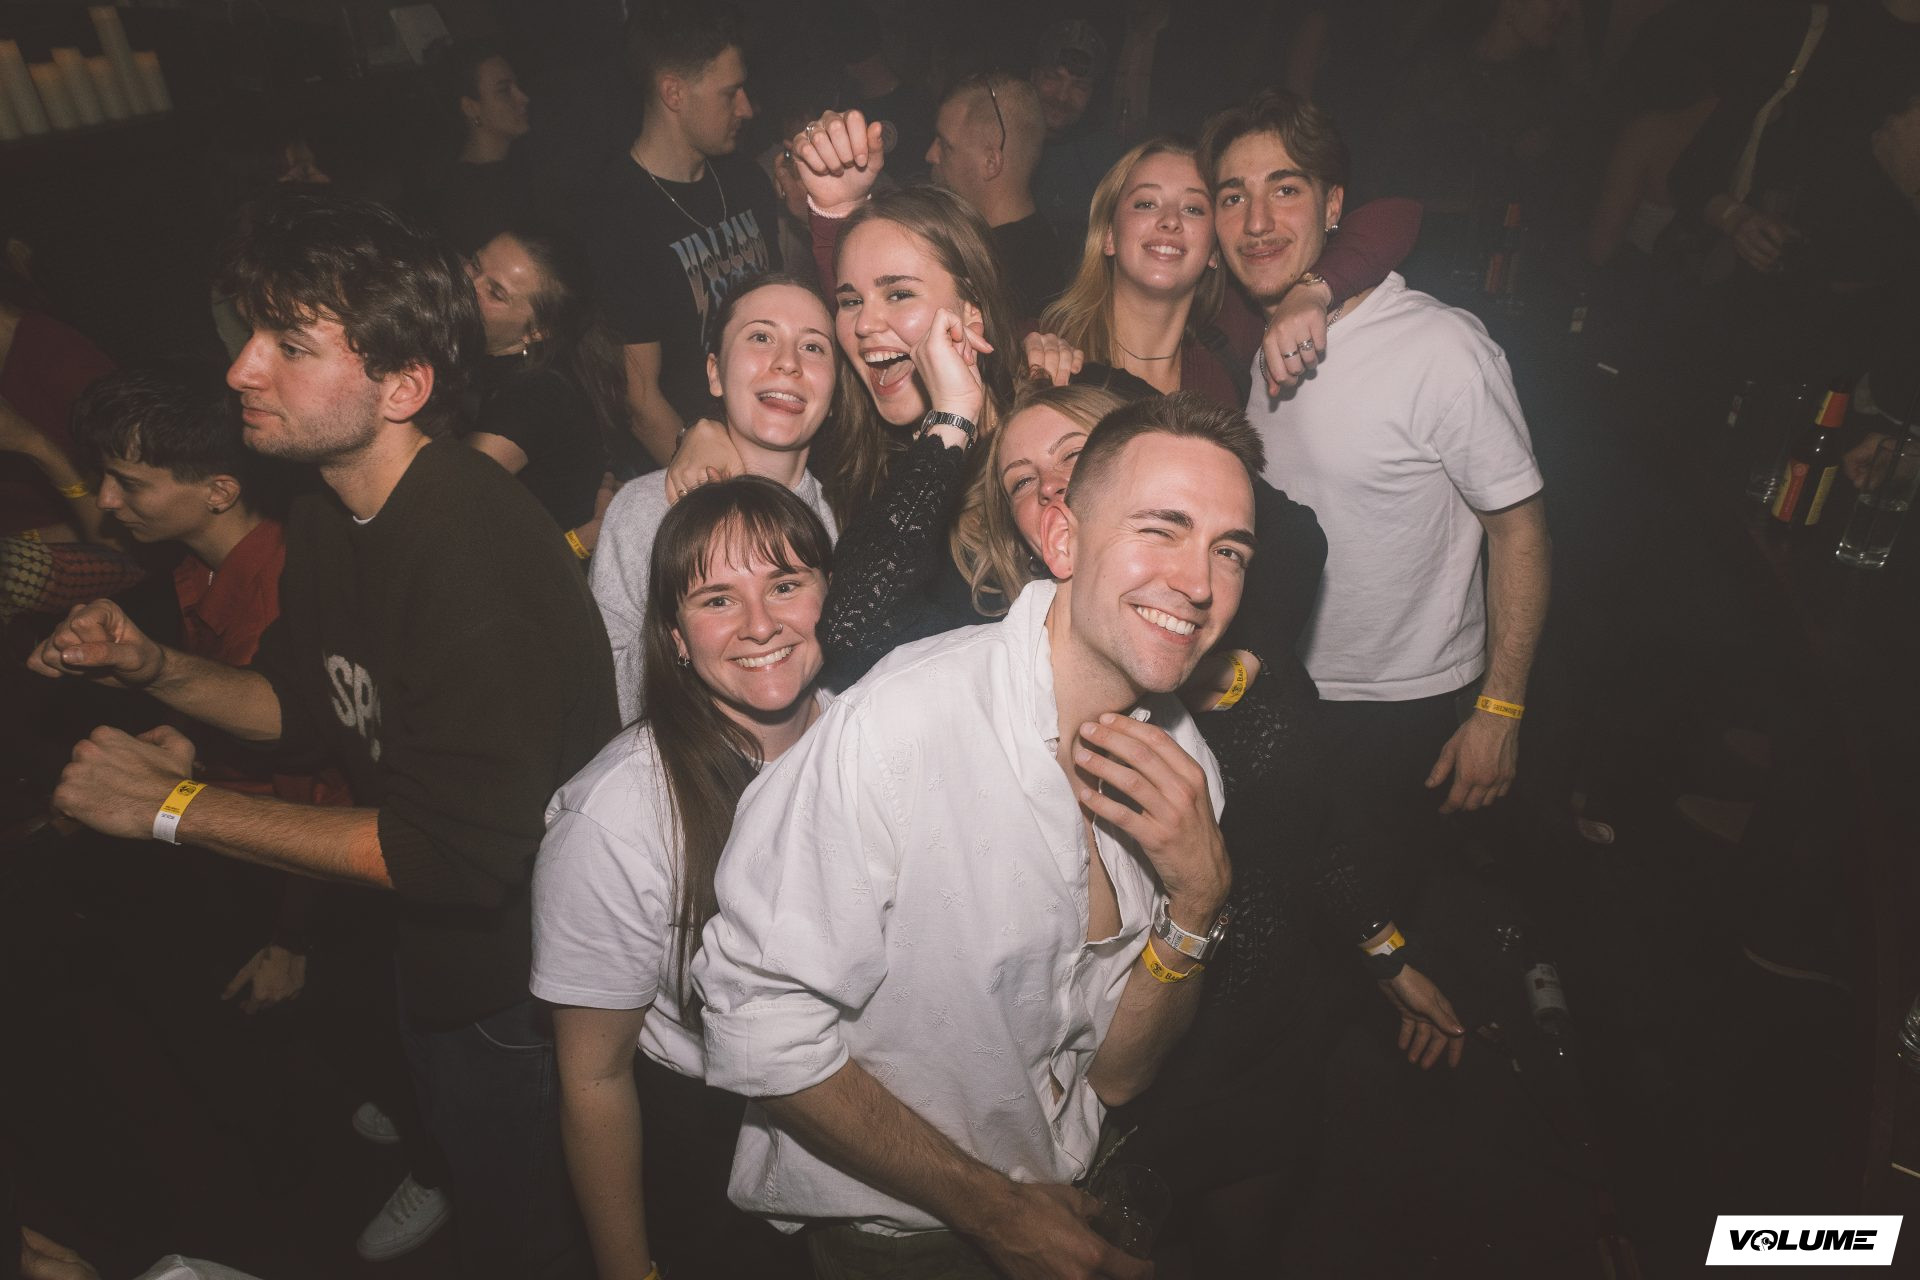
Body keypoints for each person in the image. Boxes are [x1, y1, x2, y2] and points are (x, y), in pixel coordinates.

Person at [30, 191, 616, 1279]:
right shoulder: (324, 507)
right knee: (465, 1155)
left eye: (290, 346)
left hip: (522, 979)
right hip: (427, 948)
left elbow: (448, 854)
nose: (242, 369)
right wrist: (154, 667)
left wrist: (171, 808)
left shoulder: (474, 567)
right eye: (253, 333)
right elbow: (306, 704)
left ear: (403, 387)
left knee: (521, 1228)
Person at [693, 392, 1257, 1278]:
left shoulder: (1185, 765)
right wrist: (995, 1213)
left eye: (1230, 551)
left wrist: (1197, 900)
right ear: (1063, 540)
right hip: (906, 1233)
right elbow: (755, 1023)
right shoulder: (904, 725)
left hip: (1073, 1184)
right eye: (1162, 530)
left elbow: (1119, 1077)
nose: (1199, 582)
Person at [1204, 90, 1551, 882]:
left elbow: (1521, 531)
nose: (1257, 222)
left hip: (1401, 713)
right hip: (1271, 691)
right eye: (1233, 197)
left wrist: (1500, 710)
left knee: (1382, 923)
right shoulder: (1249, 339)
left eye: (1284, 189)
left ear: (1333, 208)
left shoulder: (1442, 347)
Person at [535, 476, 828, 1280]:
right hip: (714, 1153)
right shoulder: (617, 814)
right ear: (674, 637)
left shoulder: (873, 743)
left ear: (827, 597)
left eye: (785, 584)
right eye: (717, 600)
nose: (760, 623)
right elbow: (594, 1076)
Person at [592, 274, 869, 721]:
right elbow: (605, 696)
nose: (788, 363)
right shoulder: (646, 510)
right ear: (715, 373)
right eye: (761, 337)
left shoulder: (849, 522)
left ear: (835, 392)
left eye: (813, 347)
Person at [1037, 135, 1422, 405]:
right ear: (1108, 236)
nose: (1170, 220)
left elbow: (1398, 216)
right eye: (1146, 204)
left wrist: (1312, 291)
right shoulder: (1047, 351)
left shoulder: (1233, 343)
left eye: (1193, 209)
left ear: (1213, 251)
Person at [578, 0, 781, 467]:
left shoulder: (746, 180)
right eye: (730, 93)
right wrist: (720, 486)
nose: (747, 108)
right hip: (700, 466)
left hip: (774, 434)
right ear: (674, 92)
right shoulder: (616, 214)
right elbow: (640, 399)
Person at [463, 224, 623, 539]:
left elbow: (435, 510)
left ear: (537, 331)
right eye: (475, 265)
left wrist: (578, 544)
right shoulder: (476, 349)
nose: (469, 285)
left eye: (495, 293)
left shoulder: (534, 397)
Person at [925, 71, 1066, 318]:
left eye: (946, 145)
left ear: (991, 162)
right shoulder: (1043, 253)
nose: (931, 155)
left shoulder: (1000, 277)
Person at [421, 40, 535, 255]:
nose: (523, 98)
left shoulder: (520, 168)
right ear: (471, 108)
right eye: (504, 91)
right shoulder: (470, 197)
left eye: (518, 86)